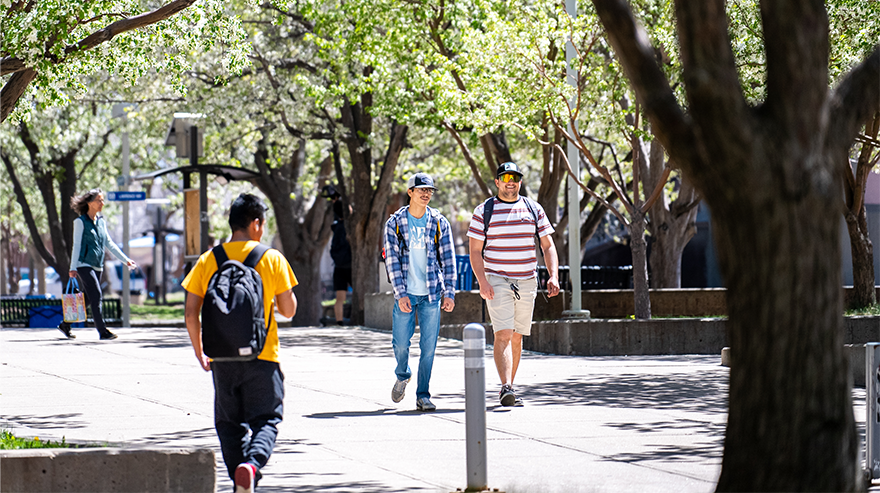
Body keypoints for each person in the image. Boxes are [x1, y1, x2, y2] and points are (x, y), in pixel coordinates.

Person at [182, 193, 298, 493]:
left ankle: (240, 479)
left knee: (229, 424)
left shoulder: (209, 259)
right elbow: (289, 310)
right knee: (267, 420)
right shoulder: (271, 258)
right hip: (263, 355)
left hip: (221, 358)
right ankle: (252, 465)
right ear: (256, 224)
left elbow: (191, 312)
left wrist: (200, 352)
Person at [467, 162, 561, 407]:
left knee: (518, 336)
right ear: (497, 182)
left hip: (527, 280)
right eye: (506, 177)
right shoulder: (484, 211)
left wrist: (553, 276)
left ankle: (510, 386)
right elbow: (475, 251)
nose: (511, 181)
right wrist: (483, 281)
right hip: (497, 279)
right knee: (504, 333)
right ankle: (506, 387)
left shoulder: (533, 208)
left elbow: (547, 245)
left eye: (515, 177)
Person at [383, 172, 456, 412]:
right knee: (401, 343)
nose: (426, 194)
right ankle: (403, 374)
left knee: (429, 347)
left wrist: (450, 292)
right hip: (406, 293)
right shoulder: (395, 223)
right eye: (421, 189)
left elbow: (448, 258)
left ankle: (423, 395)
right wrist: (400, 293)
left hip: (432, 295)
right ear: (410, 192)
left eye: (430, 191)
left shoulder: (438, 222)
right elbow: (392, 260)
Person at [59, 188, 137, 340]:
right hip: (83, 264)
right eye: (98, 200)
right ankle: (102, 331)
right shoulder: (80, 222)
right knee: (97, 295)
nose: (102, 203)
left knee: (88, 298)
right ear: (89, 203)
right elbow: (76, 245)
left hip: (97, 265)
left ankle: (65, 324)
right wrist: (73, 267)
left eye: (102, 200)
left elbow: (110, 244)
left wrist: (125, 260)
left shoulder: (101, 223)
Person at [321, 185, 352, 325]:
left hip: (339, 266)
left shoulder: (336, 228)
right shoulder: (349, 228)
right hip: (351, 265)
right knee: (358, 294)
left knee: (340, 297)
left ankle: (339, 322)